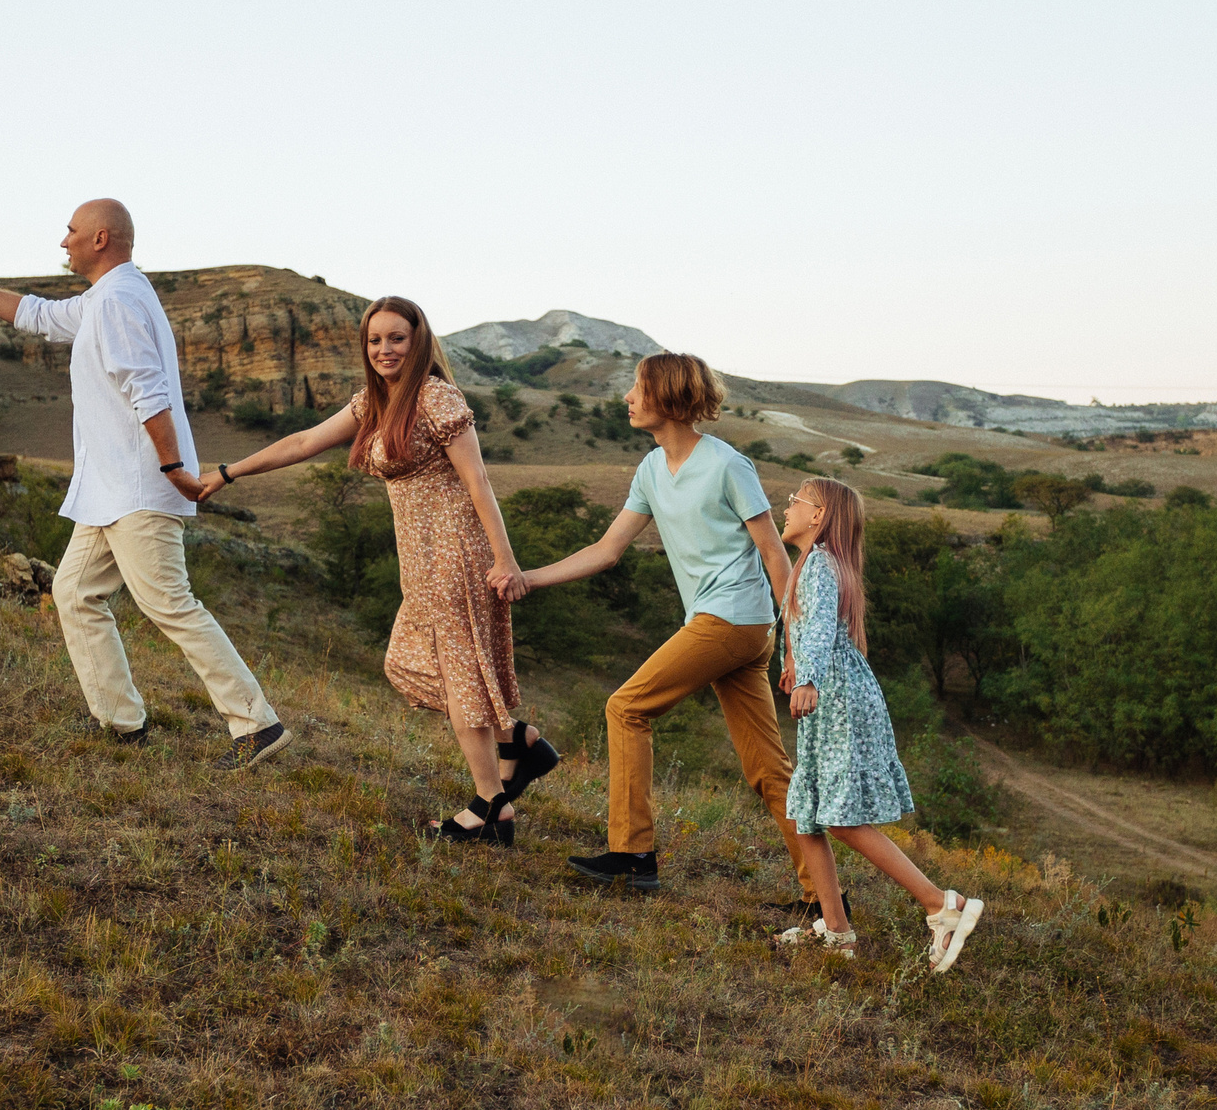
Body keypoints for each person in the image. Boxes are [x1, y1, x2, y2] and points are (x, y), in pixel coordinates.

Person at [0, 200, 290, 770]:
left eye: (70, 231)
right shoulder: (106, 297)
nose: (62, 241)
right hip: (109, 491)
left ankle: (257, 723)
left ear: (100, 238)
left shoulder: (116, 300)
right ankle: (121, 724)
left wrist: (171, 470)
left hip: (140, 486)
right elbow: (35, 315)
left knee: (170, 604)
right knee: (74, 592)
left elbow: (148, 389)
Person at [201, 297, 557, 842]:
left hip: (456, 552)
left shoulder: (437, 397)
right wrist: (227, 473)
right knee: (409, 663)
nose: (385, 349)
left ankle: (491, 805)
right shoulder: (374, 401)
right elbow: (302, 442)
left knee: (459, 673)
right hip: (418, 556)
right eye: (375, 340)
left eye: (397, 338)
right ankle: (515, 743)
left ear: (419, 343)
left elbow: (479, 483)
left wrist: (505, 560)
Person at [501, 353, 815, 910]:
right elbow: (607, 550)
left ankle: (632, 855)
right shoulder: (650, 469)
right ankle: (824, 900)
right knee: (769, 768)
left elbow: (776, 557)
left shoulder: (727, 465)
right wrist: (528, 579)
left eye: (636, 388)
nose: (626, 398)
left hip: (735, 620)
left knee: (626, 708)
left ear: (666, 397)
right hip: (722, 624)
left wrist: (800, 651)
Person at [775, 478, 983, 967]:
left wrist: (806, 678)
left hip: (837, 697)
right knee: (808, 812)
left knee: (840, 819)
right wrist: (791, 659)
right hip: (829, 694)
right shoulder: (814, 564)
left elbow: (824, 627)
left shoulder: (822, 564)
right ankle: (837, 931)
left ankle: (941, 904)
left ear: (819, 515)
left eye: (795, 502)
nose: (786, 508)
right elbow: (806, 625)